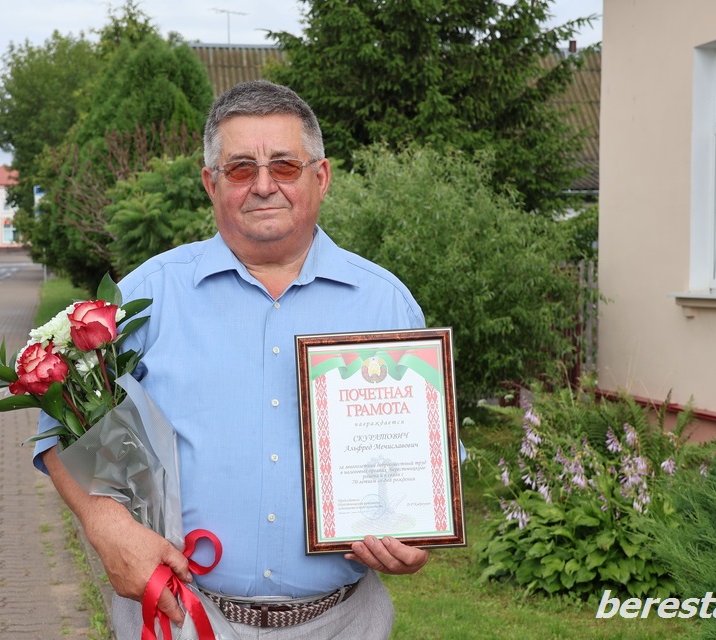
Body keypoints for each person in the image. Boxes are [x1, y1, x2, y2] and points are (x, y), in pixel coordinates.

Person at [34, 79, 429, 640]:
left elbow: (425, 453)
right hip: (181, 616)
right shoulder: (145, 298)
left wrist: (415, 532)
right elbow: (59, 427)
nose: (264, 185)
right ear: (210, 183)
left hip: (344, 622)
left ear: (321, 177)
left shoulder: (384, 302)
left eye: (285, 167)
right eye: (242, 169)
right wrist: (103, 525)